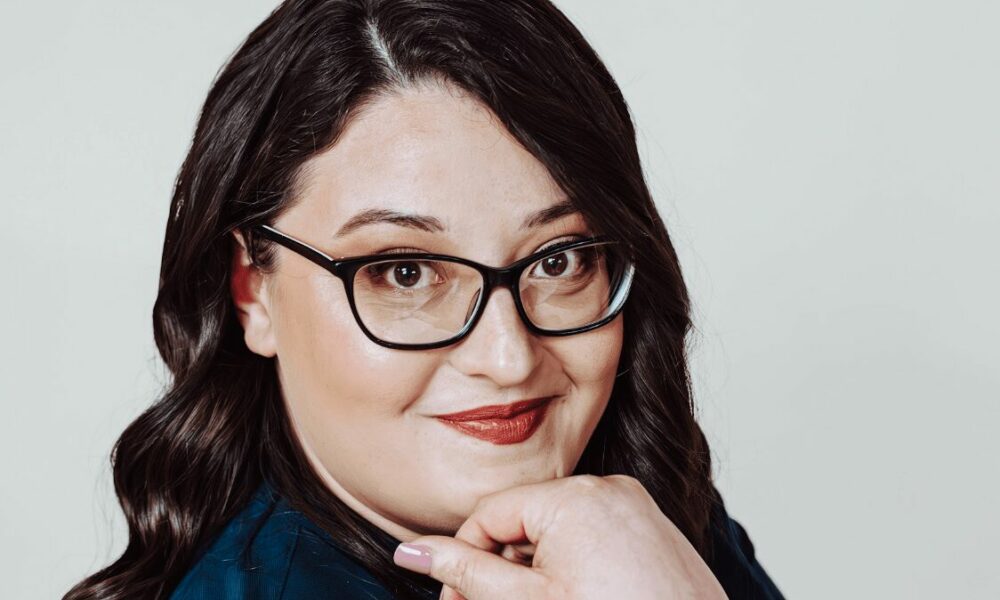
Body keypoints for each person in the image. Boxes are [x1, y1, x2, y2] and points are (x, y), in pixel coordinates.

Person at [64, 0, 785, 598]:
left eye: (560, 259)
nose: (507, 358)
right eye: (405, 273)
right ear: (252, 291)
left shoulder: (633, 530)